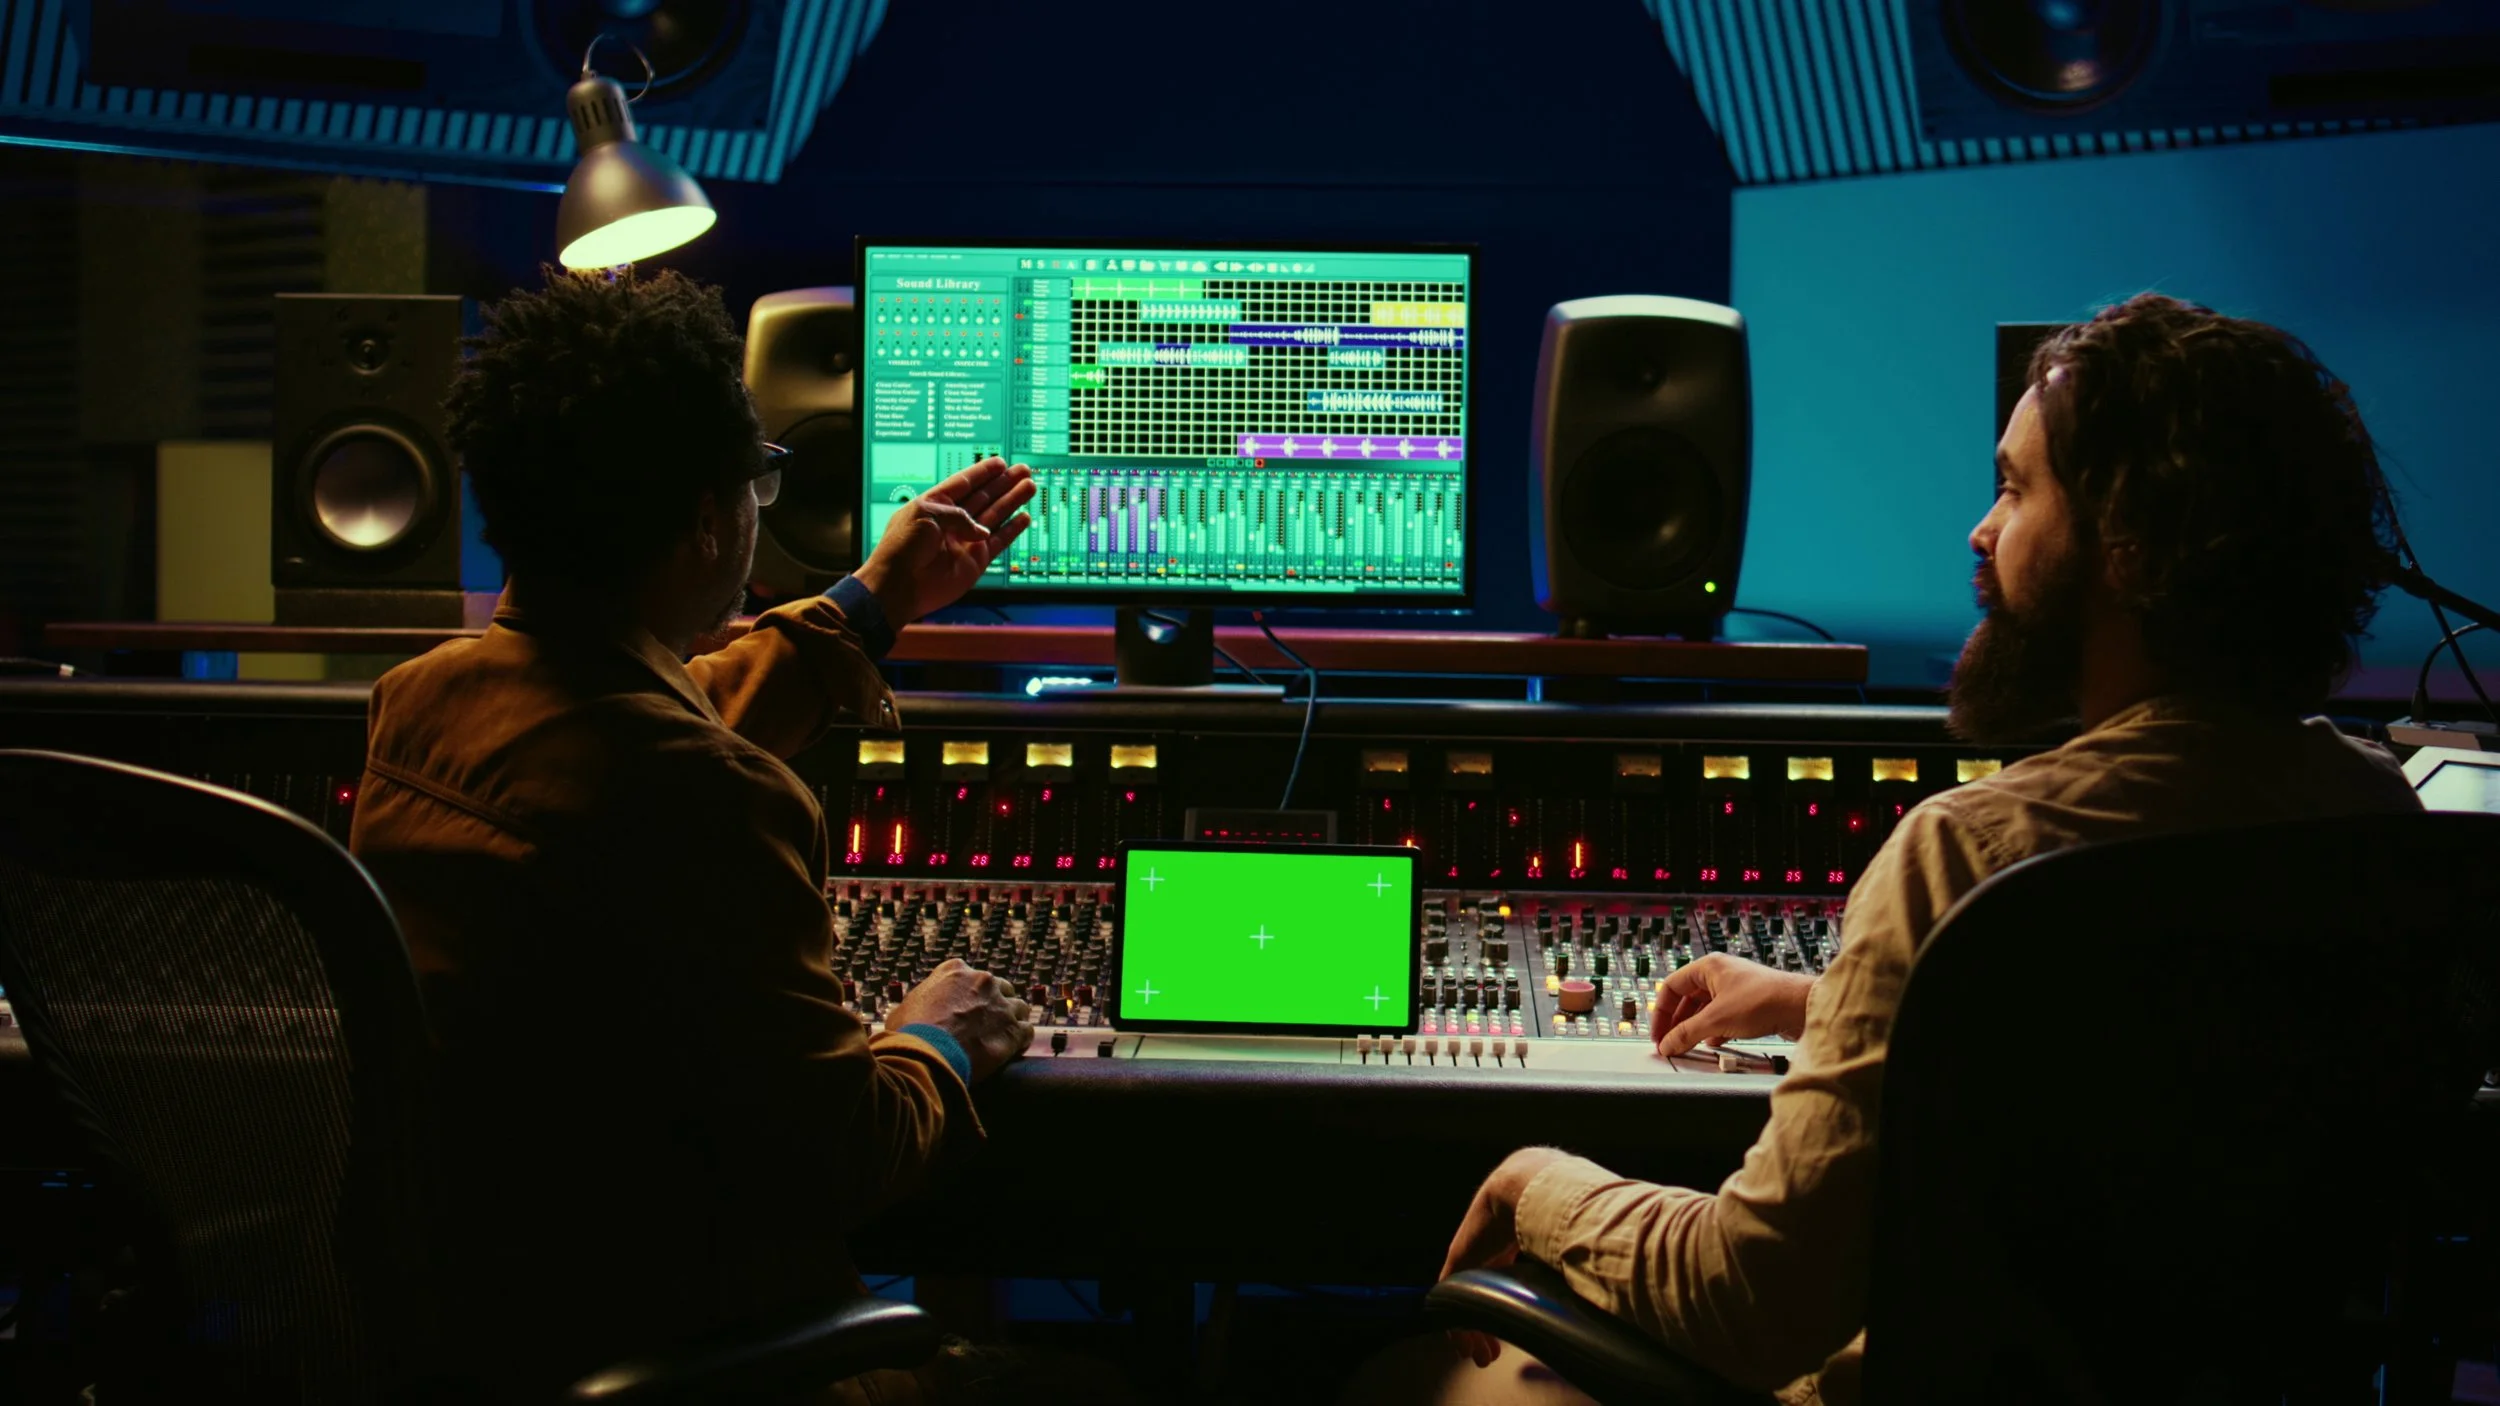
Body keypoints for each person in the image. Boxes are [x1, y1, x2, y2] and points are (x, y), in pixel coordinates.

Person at [1423, 293, 2424, 1405]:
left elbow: (1749, 1303)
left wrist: (1537, 1181)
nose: (1980, 530)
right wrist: (1831, 997)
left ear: (2130, 549)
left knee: (1442, 1383)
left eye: (2013, 486)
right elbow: (2156, 1055)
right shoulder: (2372, 811)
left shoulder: (1968, 852)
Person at [348, 268, 1042, 1397]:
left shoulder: (419, 702)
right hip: (694, 1356)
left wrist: (871, 599)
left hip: (494, 1336)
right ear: (708, 517)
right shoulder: (711, 798)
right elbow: (844, 1157)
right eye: (757, 482)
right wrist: (935, 1037)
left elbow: (631, 722)